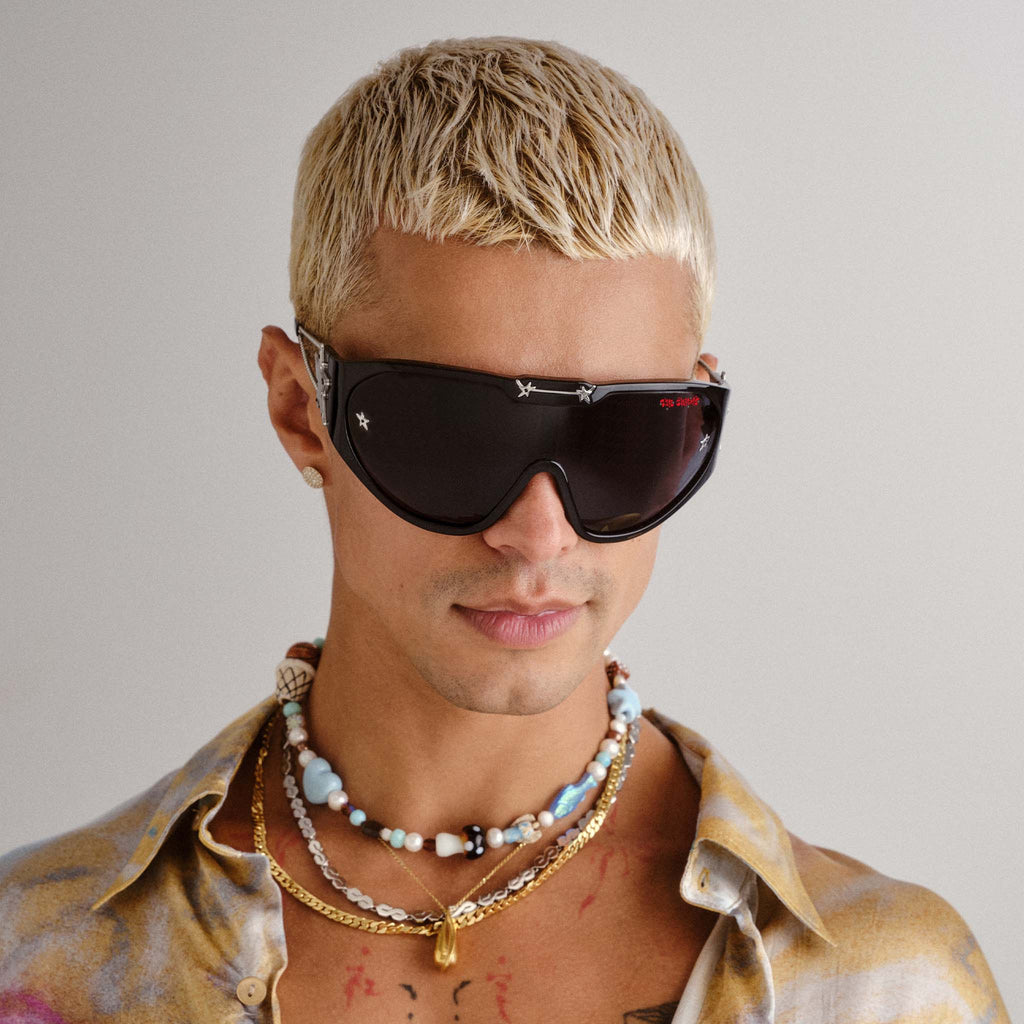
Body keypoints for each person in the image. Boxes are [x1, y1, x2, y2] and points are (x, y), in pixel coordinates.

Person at [0, 35, 1008, 1024]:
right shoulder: (37, 955)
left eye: (625, 439)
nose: (538, 534)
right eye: (453, 434)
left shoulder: (886, 992)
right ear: (301, 410)